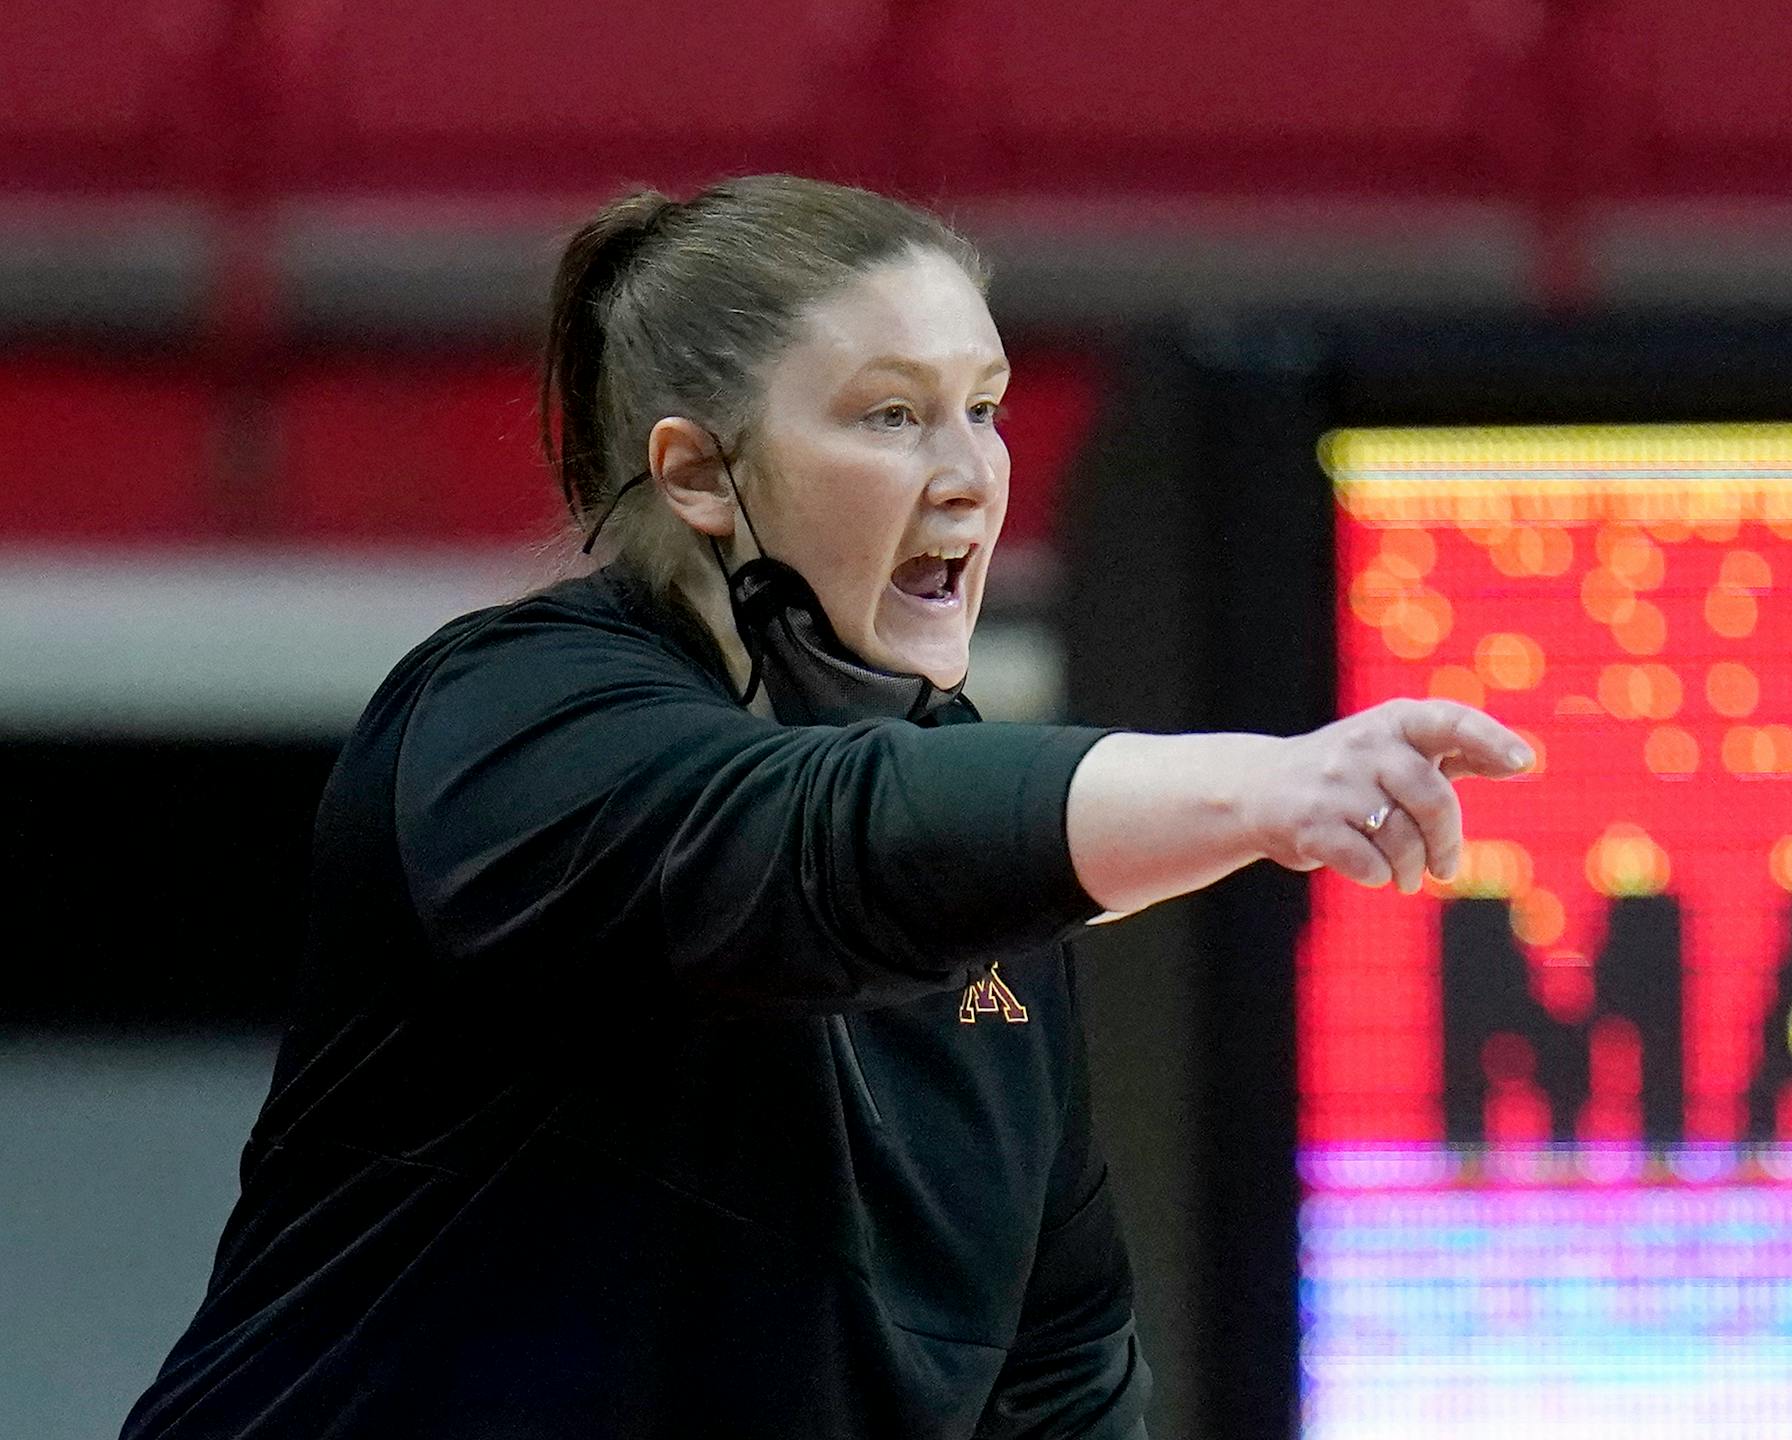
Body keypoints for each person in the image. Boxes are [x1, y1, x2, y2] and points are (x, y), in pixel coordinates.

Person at [119, 175, 1531, 1439]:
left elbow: (1058, 1373)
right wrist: (1269, 784)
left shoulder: (991, 897)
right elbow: (813, 843)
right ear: (698, 474)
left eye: (983, 406)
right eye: (893, 415)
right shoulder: (507, 720)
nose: (971, 471)